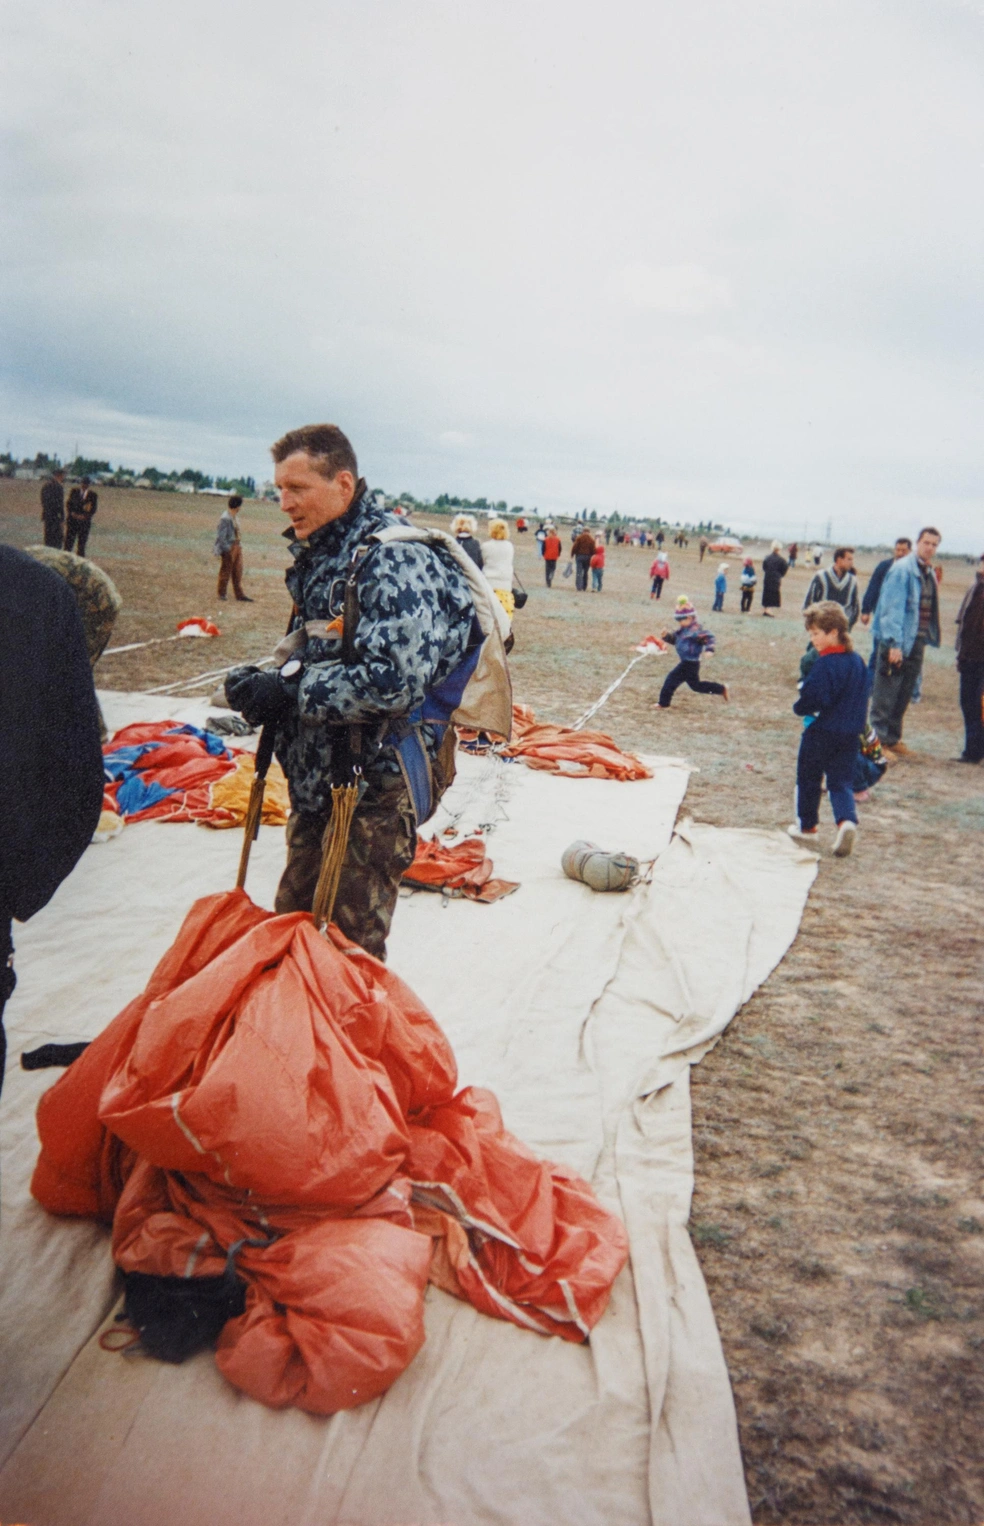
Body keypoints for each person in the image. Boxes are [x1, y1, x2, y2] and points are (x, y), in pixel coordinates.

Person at [224, 423, 487, 961]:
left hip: (374, 786)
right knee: (292, 925)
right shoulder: (326, 554)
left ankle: (344, 1042)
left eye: (297, 489)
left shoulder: (391, 559)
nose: (283, 503)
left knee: (350, 951)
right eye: (279, 489)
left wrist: (291, 694)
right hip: (320, 774)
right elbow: (327, 646)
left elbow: (393, 680)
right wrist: (267, 677)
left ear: (343, 484)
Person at [0, 546, 104, 1094]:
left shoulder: (42, 596)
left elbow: (77, 770)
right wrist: (19, 891)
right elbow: (78, 777)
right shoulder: (36, 592)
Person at [788, 601, 869, 857]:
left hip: (821, 732)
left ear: (833, 632)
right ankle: (846, 822)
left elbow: (813, 698)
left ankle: (808, 827)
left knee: (808, 778)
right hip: (850, 734)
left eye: (816, 634)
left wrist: (799, 706)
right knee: (841, 782)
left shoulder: (824, 665)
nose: (813, 640)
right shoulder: (857, 662)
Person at [24, 546, 123, 739]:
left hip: (97, 605)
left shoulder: (19, 575)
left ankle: (96, 736)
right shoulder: (21, 562)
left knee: (73, 671)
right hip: (82, 599)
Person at [869, 527, 942, 759]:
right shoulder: (902, 570)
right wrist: (893, 644)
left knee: (903, 693)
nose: (929, 548)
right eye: (926, 542)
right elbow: (892, 610)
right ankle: (877, 744)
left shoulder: (927, 572)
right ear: (917, 543)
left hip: (916, 642)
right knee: (886, 693)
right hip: (898, 642)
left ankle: (892, 739)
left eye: (934, 544)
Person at [657, 597, 728, 708]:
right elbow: (675, 640)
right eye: (678, 620)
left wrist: (710, 649)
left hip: (690, 663)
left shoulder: (696, 631)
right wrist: (666, 636)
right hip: (688, 663)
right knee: (696, 686)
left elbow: (710, 637)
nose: (679, 623)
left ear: (689, 618)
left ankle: (663, 703)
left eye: (681, 620)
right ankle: (721, 689)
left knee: (671, 680)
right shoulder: (682, 631)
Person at [860, 538, 911, 666]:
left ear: (910, 551)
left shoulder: (912, 570)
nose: (900, 553)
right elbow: (873, 587)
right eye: (898, 550)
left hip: (903, 621)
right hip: (881, 617)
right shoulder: (884, 566)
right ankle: (870, 683)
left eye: (903, 550)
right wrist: (866, 610)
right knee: (877, 653)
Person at [954, 553, 984, 764]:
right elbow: (963, 624)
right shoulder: (974, 589)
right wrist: (961, 653)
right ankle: (972, 751)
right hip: (970, 657)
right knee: (969, 703)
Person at [803, 546, 860, 628]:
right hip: (821, 627)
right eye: (849, 559)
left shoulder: (852, 581)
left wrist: (848, 625)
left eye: (852, 559)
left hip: (842, 629)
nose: (852, 563)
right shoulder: (821, 577)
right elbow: (810, 602)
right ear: (839, 560)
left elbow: (854, 607)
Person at [214, 495, 253, 602]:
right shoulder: (225, 518)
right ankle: (222, 594)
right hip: (229, 547)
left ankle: (239, 595)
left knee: (238, 572)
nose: (241, 508)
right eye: (240, 505)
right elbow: (221, 537)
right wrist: (227, 549)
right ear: (236, 506)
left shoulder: (234, 517)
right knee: (225, 571)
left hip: (237, 546)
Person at [482, 517, 515, 621]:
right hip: (505, 586)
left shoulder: (486, 546)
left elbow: (482, 562)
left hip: (489, 585)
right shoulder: (509, 546)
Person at [64, 476, 98, 556]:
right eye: (83, 483)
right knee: (69, 543)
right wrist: (72, 513)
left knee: (81, 545)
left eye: (86, 484)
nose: (84, 485)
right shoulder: (74, 491)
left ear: (89, 485)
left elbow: (93, 509)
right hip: (72, 522)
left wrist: (85, 516)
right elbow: (69, 504)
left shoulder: (92, 495)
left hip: (84, 523)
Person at [40, 467, 66, 549]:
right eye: (62, 475)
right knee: (56, 541)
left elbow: (43, 501)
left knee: (48, 539)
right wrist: (62, 518)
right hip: (55, 517)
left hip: (47, 516)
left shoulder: (45, 486)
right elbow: (59, 505)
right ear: (59, 475)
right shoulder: (59, 487)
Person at [761, 541, 788, 616]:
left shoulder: (767, 558)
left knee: (766, 593)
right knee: (773, 594)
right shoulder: (782, 560)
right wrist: (780, 575)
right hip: (776, 578)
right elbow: (784, 569)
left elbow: (764, 567)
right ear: (779, 549)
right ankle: (769, 611)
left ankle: (766, 609)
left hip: (767, 577)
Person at [572, 525, 595, 592]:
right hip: (588, 557)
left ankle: (579, 586)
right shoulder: (591, 540)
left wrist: (572, 554)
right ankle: (584, 586)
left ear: (583, 531)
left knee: (579, 572)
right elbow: (593, 550)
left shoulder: (579, 538)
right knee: (585, 572)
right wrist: (592, 556)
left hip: (579, 556)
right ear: (589, 532)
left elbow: (575, 547)